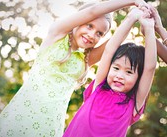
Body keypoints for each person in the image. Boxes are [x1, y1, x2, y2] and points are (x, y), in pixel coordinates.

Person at [0, 0, 150, 137]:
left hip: (49, 127)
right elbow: (92, 11)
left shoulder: (85, 60)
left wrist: (133, 19)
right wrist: (131, 2)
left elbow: (111, 48)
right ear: (78, 22)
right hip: (19, 117)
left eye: (100, 33)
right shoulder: (56, 35)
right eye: (89, 26)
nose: (92, 35)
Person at [63, 7, 156, 137]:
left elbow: (150, 68)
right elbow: (109, 50)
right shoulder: (98, 88)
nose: (119, 76)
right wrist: (130, 18)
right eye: (116, 68)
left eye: (129, 72)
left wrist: (149, 28)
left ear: (138, 78)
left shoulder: (133, 104)